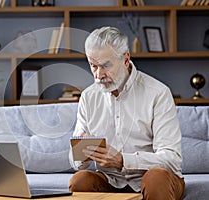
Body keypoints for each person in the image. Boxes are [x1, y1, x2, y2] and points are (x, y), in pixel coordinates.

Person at [68, 26, 185, 200]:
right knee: (80, 181)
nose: (99, 75)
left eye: (105, 65)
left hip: (156, 178)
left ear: (125, 59)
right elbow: (75, 162)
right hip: (111, 180)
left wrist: (123, 160)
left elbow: (172, 159)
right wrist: (81, 153)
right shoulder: (88, 97)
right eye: (93, 66)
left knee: (156, 179)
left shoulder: (158, 93)